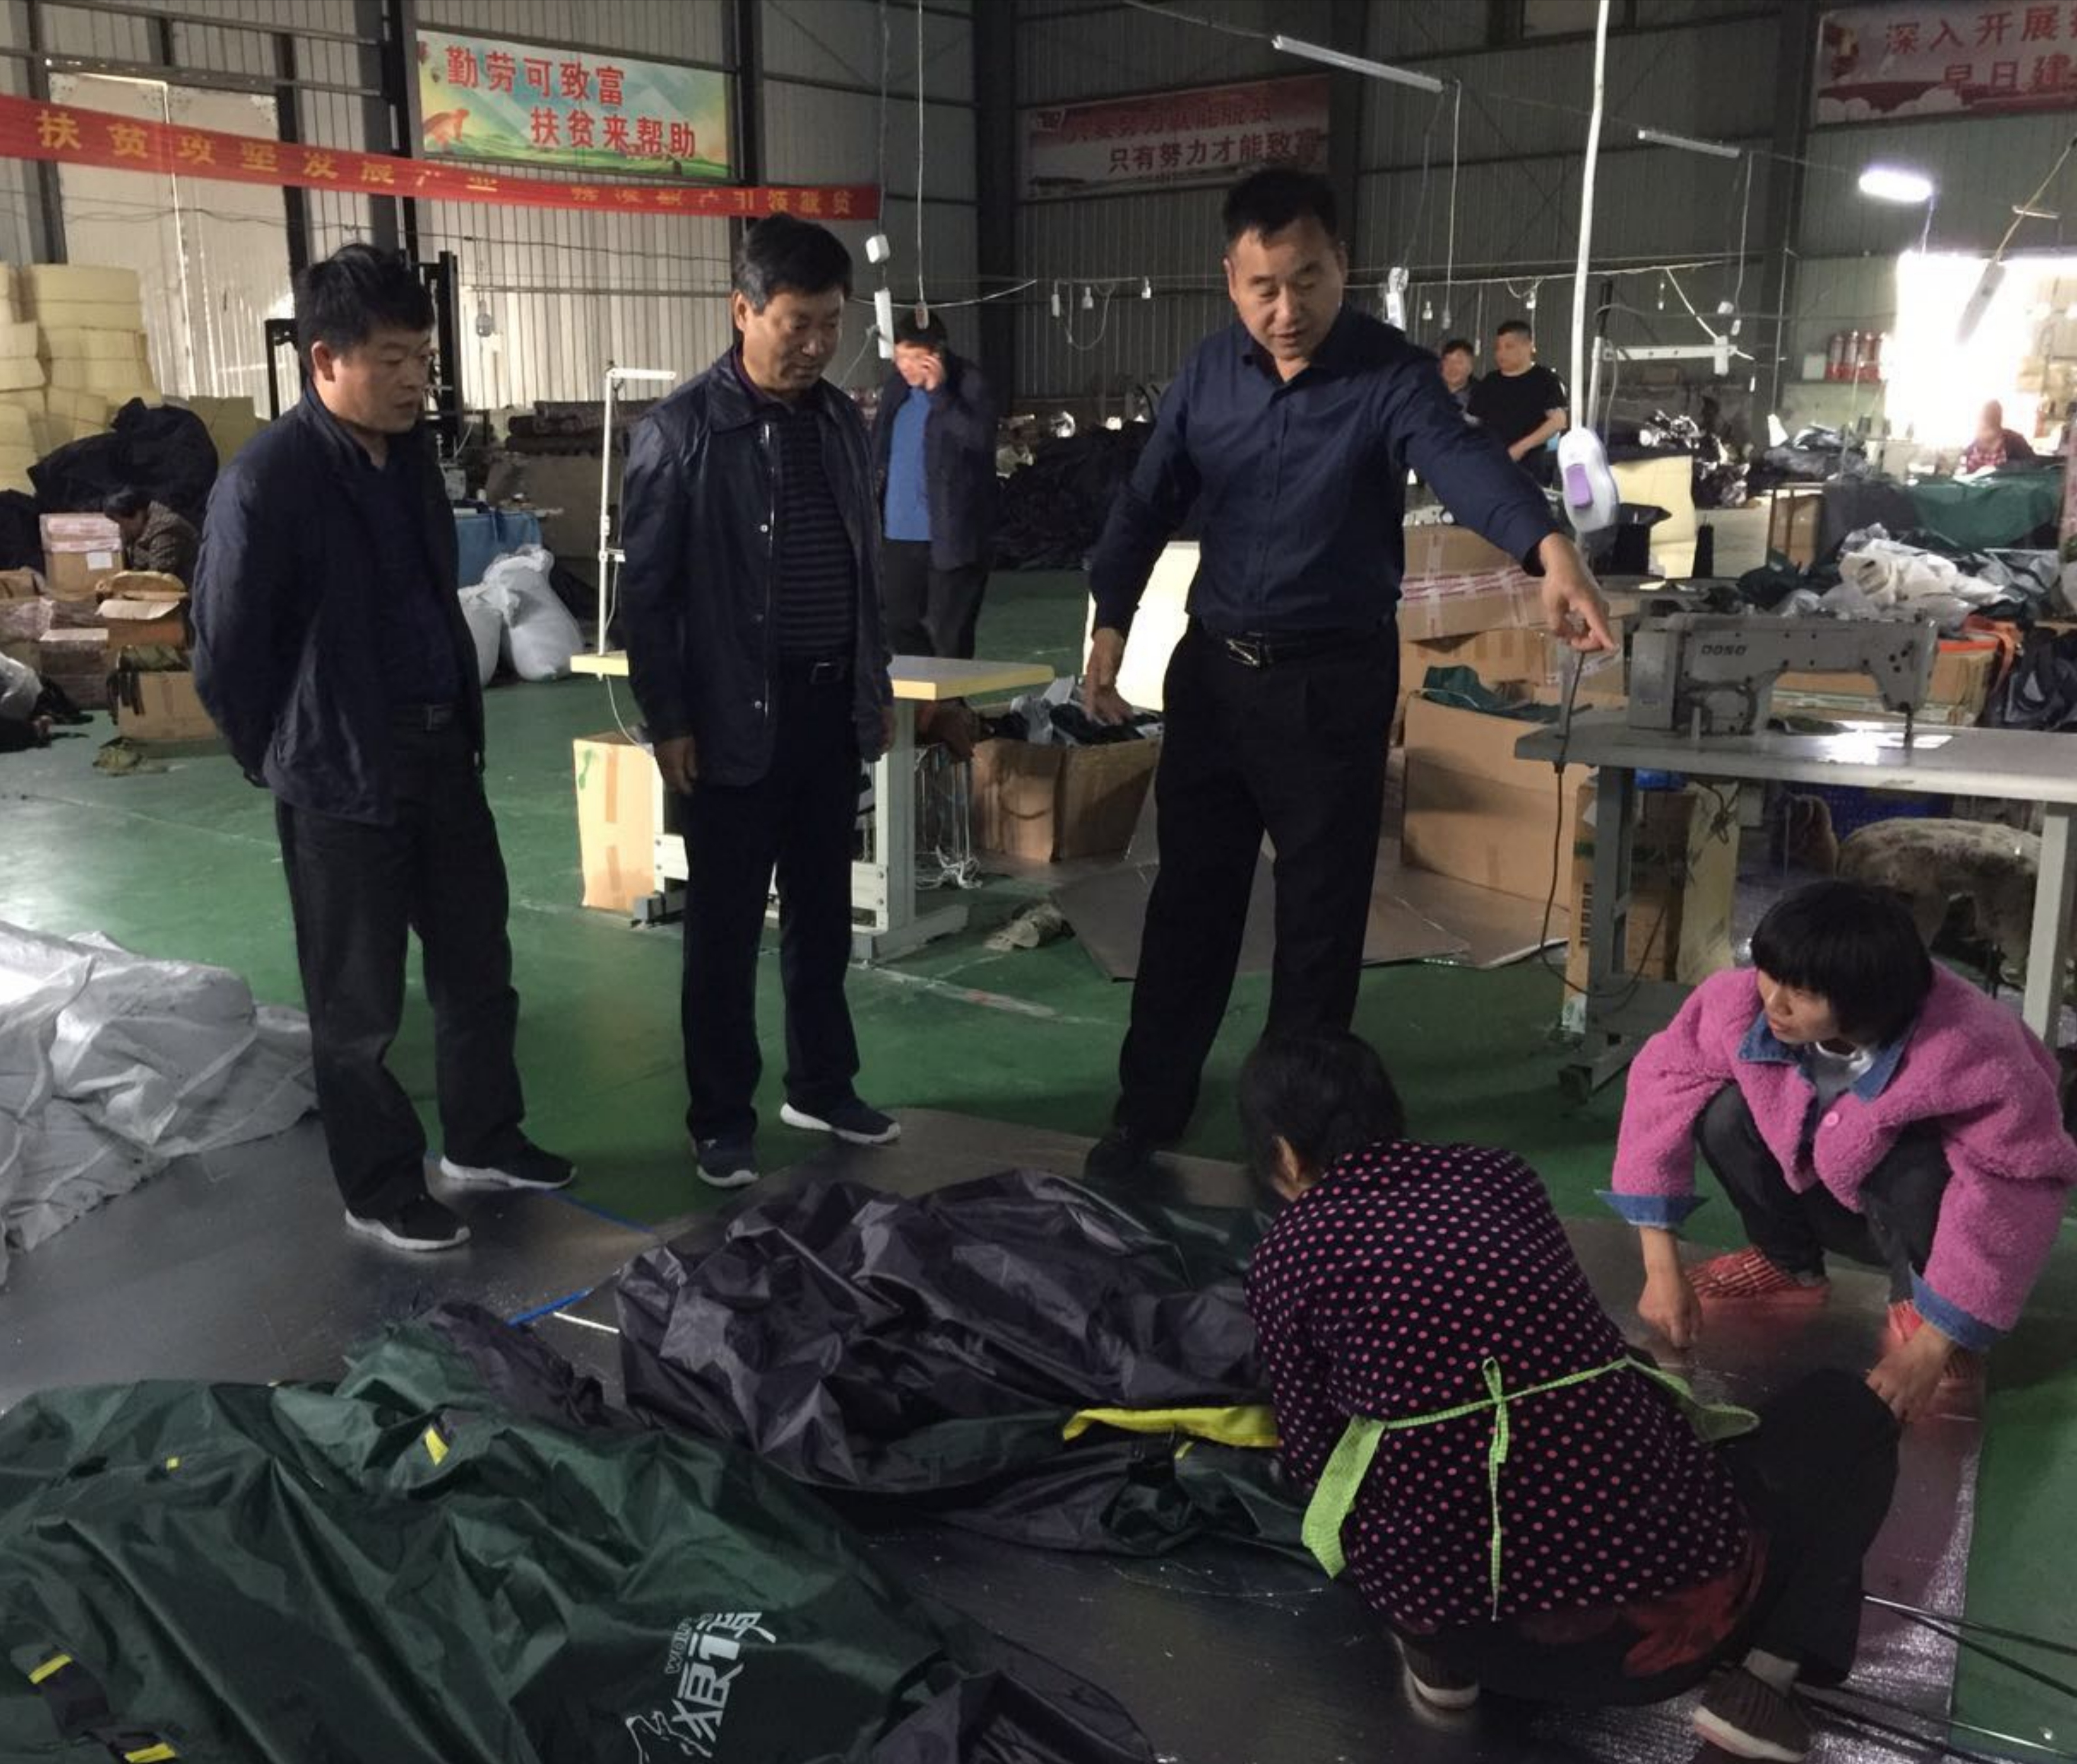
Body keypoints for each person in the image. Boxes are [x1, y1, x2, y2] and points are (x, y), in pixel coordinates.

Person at [1079, 167, 1612, 1181]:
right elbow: (1146, 503)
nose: (1287, 310)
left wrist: (1547, 550)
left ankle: (1302, 1150)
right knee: (1189, 905)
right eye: (1263, 288)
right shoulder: (1206, 375)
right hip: (1215, 680)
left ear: (1342, 267)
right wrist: (1111, 621)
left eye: (1308, 282)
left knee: (1318, 925)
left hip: (1330, 688)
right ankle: (1146, 1111)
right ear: (1230, 280)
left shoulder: (1391, 377)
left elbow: (1464, 465)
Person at [1243, 1029, 1901, 1763]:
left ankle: (1441, 1666)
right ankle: (1759, 1690)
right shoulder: (1496, 1176)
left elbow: (1312, 1459)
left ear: (1285, 1156)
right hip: (1670, 1636)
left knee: (1364, 1489)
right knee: (1849, 1413)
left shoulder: (1286, 1251)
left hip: (1450, 1621)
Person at [192, 244, 571, 1253]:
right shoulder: (267, 481)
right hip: (340, 777)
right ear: (326, 360)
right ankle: (379, 1186)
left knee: (477, 966)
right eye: (393, 359)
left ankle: (484, 1140)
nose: (416, 382)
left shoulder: (406, 462)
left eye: (424, 360)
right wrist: (283, 755)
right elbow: (225, 651)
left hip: (442, 756)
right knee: (356, 1005)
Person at [619, 215, 899, 1192]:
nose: (816, 345)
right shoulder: (681, 433)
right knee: (726, 932)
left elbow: (864, 572)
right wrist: (669, 720)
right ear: (741, 311)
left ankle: (822, 1085)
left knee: (822, 917)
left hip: (826, 713)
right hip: (730, 718)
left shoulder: (841, 422)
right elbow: (646, 596)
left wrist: (872, 685)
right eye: (796, 323)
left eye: (830, 324)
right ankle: (720, 1117)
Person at [1610, 880, 2077, 1422]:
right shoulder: (1737, 1004)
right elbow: (1662, 1085)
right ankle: (1786, 1264)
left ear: (1866, 1000)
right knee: (1725, 1114)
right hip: (1821, 1191)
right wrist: (1661, 1267)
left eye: (1802, 993)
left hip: (1913, 1222)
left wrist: (1934, 1343)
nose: (1773, 1003)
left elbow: (2016, 1181)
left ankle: (1921, 1302)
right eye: (1769, 973)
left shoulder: (1970, 1047)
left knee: (1921, 1167)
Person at [872, 308, 998, 659]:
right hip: (899, 533)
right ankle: (922, 691)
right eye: (900, 358)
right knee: (897, 623)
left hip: (952, 536)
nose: (905, 366)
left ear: (936, 355)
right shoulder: (897, 388)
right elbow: (879, 442)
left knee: (949, 637)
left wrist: (940, 394)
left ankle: (949, 694)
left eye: (914, 358)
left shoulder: (969, 384)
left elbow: (980, 439)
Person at [1467, 318, 1569, 484]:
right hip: (1490, 466)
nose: (1501, 353)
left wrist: (1521, 448)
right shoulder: (1489, 382)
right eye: (1498, 348)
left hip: (1530, 470)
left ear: (1528, 346)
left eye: (1509, 347)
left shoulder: (1545, 380)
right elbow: (1472, 421)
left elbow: (1558, 421)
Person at [104, 486, 199, 583]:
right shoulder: (140, 526)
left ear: (137, 515)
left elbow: (157, 578)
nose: (120, 530)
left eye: (122, 524)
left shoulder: (166, 530)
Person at [1959, 400, 2035, 473]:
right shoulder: (1972, 448)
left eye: (1985, 429)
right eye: (1978, 429)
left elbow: (2034, 463)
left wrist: (2000, 468)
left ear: (1997, 428)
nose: (1979, 434)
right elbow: (1964, 473)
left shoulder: (2015, 441)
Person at [1437, 336, 1477, 414]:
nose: (1452, 368)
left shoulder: (1483, 397)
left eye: (1459, 362)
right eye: (1447, 361)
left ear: (1470, 367)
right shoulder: (1427, 393)